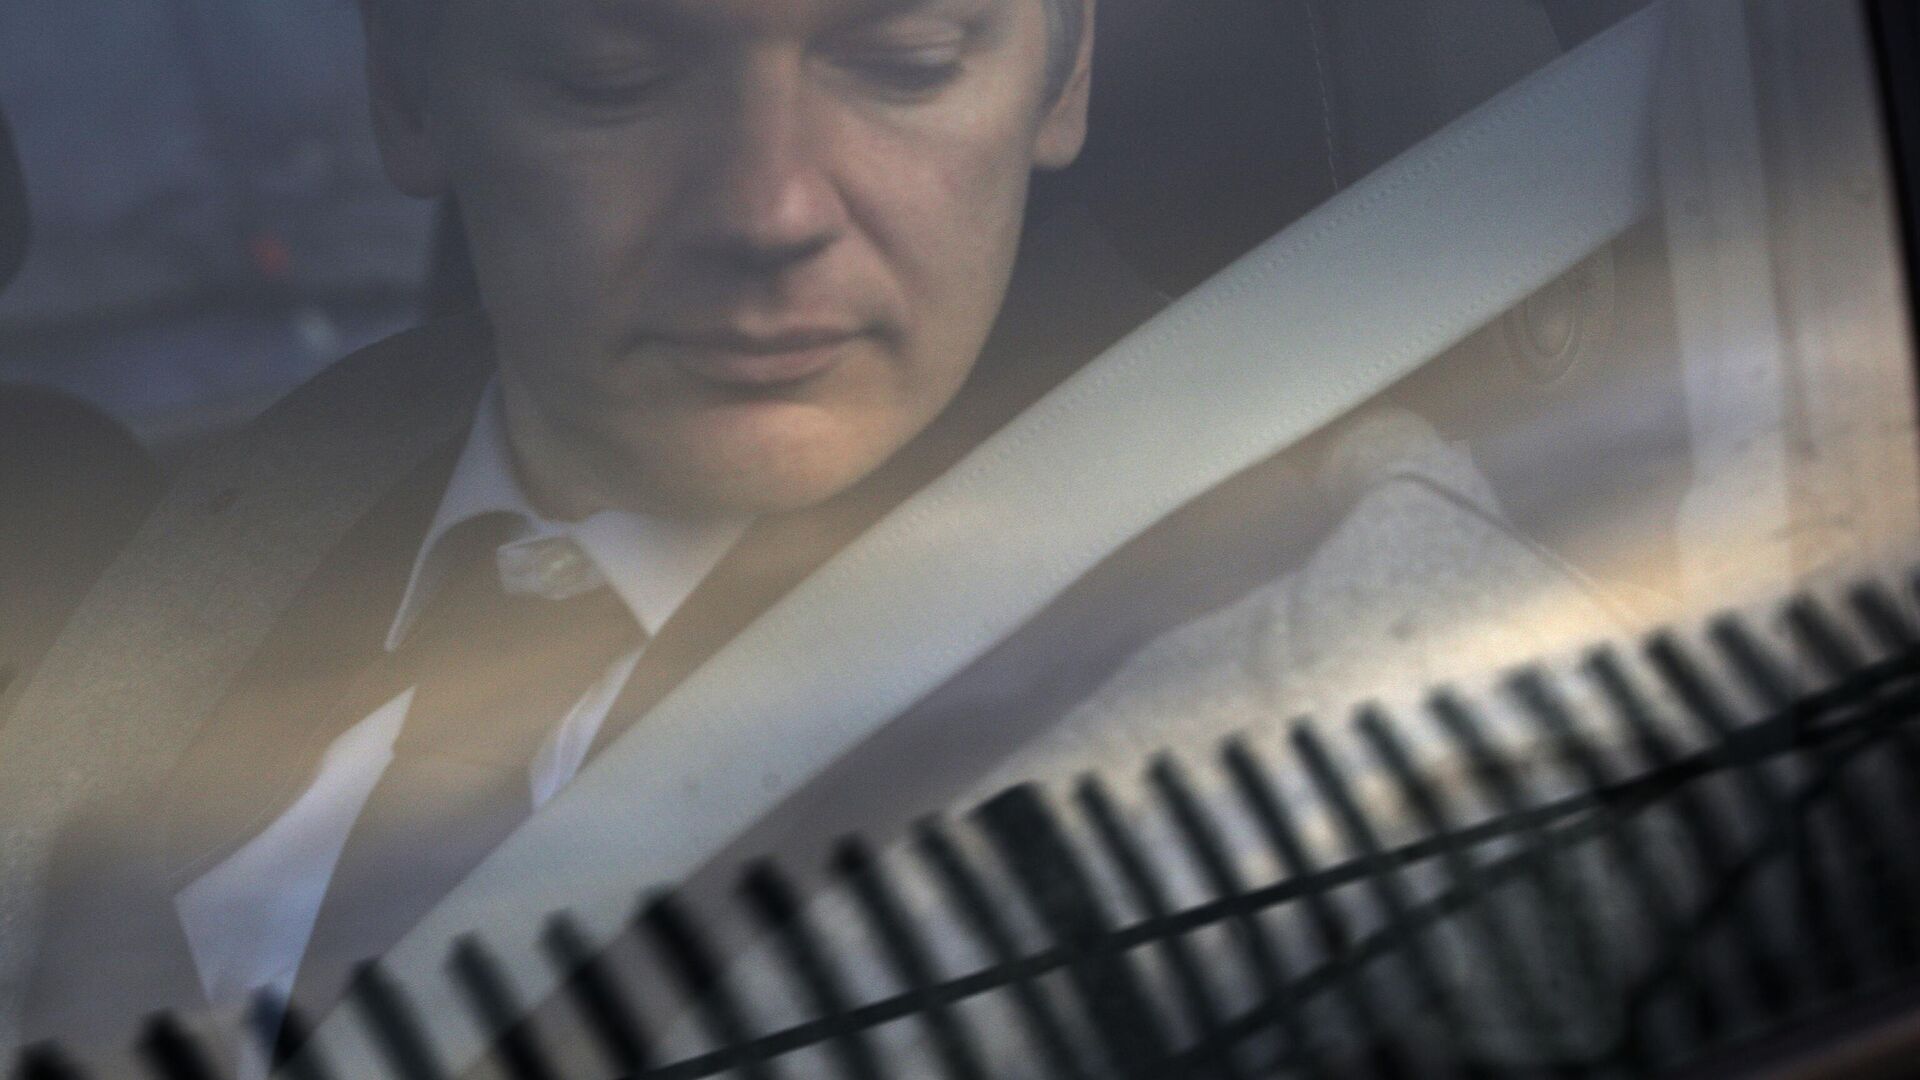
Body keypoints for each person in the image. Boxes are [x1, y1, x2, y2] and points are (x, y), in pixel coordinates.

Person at [5, 0, 1659, 1070]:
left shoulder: (1357, 651)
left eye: (906, 59)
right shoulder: (270, 493)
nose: (770, 209)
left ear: (1067, 68)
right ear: (407, 89)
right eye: (609, 75)